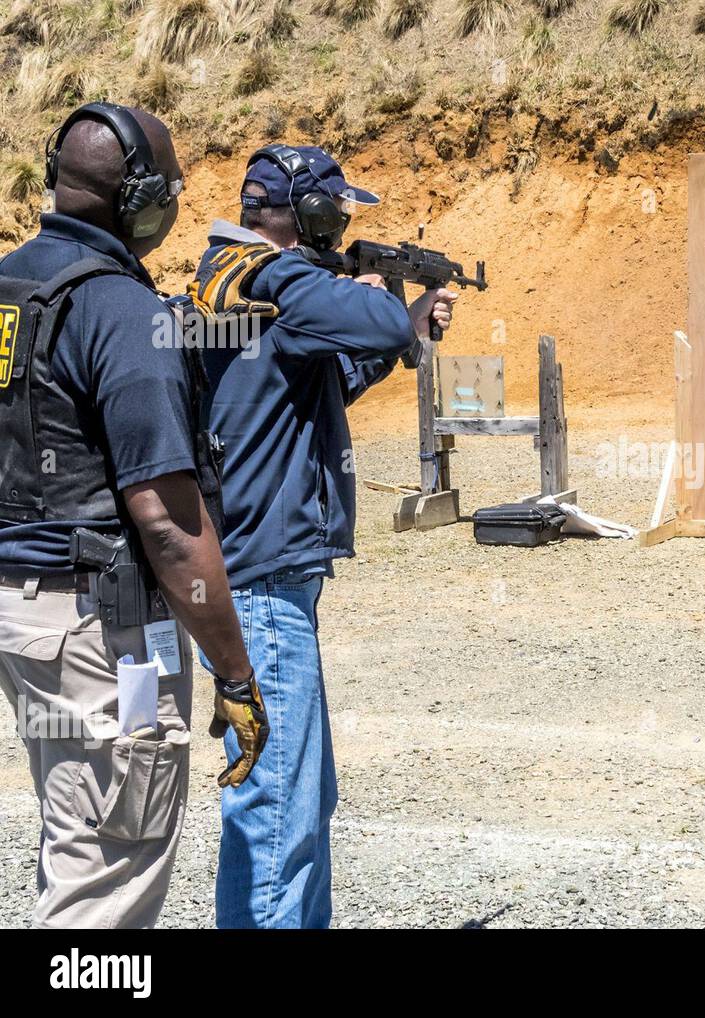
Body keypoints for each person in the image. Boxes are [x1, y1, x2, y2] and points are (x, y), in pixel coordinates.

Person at [0, 102, 266, 928]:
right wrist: (235, 671)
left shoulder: (11, 283)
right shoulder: (121, 310)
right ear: (142, 197)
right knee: (111, 868)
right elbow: (164, 522)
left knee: (76, 829)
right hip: (96, 630)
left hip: (27, 613)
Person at [186, 143, 454, 928]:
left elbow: (313, 380)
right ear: (298, 214)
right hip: (262, 584)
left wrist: (408, 333)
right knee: (279, 818)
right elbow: (365, 319)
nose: (339, 224)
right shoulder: (270, 275)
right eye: (331, 211)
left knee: (298, 801)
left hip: (264, 580)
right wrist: (386, 301)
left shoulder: (238, 285)